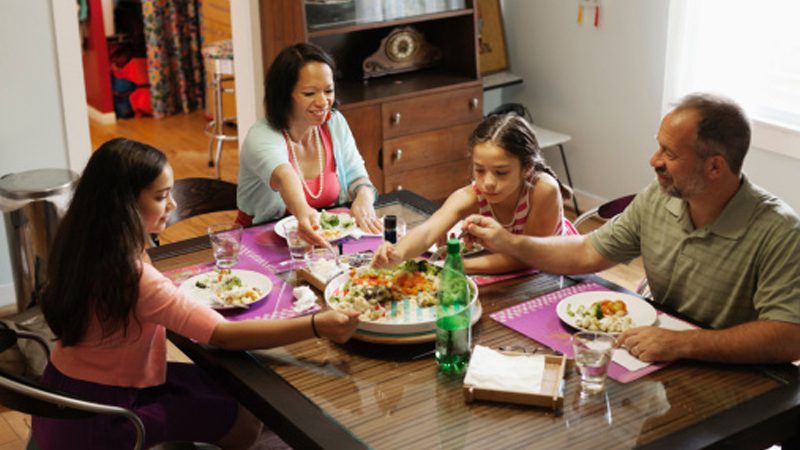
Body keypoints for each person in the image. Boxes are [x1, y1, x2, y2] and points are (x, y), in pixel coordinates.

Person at [32, 138, 360, 449]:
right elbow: (224, 335)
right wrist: (318, 324)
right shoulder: (132, 278)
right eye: (161, 197)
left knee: (231, 389)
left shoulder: (80, 245)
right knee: (244, 420)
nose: (172, 205)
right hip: (104, 420)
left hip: (60, 398)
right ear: (126, 204)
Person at [463, 93, 800, 364]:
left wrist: (683, 344)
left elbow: (789, 337)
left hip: (733, 374)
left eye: (669, 153)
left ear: (714, 167)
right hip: (659, 349)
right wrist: (509, 241)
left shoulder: (780, 232)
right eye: (658, 145)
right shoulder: (658, 197)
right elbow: (586, 251)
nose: (654, 160)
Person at [372, 113, 578, 274]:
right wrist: (397, 254)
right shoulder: (471, 195)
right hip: (508, 266)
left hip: (557, 270)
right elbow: (428, 231)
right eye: (479, 170)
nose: (488, 183)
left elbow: (530, 257)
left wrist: (459, 264)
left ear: (526, 168)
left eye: (501, 173)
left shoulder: (543, 190)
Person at [237, 42, 382, 247]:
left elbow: (357, 175)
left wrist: (364, 199)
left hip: (322, 242)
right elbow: (285, 177)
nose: (323, 102)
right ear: (284, 95)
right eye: (309, 93)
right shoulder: (261, 136)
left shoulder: (334, 122)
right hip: (261, 241)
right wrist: (304, 214)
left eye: (328, 90)